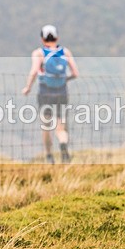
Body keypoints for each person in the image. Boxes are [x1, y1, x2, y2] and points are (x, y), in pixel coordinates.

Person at [22, 25, 79, 164]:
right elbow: (75, 73)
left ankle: (49, 156)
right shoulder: (65, 52)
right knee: (60, 125)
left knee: (46, 125)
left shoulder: (39, 53)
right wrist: (65, 80)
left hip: (45, 92)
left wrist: (27, 87)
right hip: (62, 91)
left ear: (42, 39)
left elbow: (34, 71)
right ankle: (63, 144)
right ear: (57, 37)